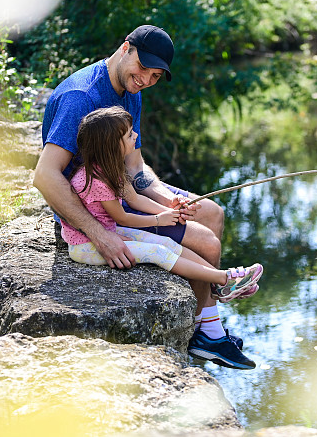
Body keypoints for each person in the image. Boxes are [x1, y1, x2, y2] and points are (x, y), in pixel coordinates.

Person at [33, 24, 255, 369]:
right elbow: (45, 176)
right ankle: (208, 333)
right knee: (207, 244)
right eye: (143, 71)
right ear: (126, 48)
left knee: (210, 212)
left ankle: (203, 321)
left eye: (154, 77)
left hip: (121, 187)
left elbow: (135, 166)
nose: (146, 81)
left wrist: (167, 200)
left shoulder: (130, 89)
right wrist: (98, 233)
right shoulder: (82, 97)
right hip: (95, 205)